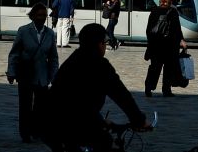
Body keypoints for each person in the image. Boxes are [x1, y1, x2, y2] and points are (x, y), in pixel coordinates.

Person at [48, 23, 151, 152]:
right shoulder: (100, 65)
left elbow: (75, 100)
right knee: (106, 143)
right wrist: (139, 120)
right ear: (99, 44)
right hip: (72, 125)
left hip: (53, 124)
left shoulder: (73, 60)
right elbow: (122, 95)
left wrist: (99, 121)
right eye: (105, 42)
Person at [7, 2, 59, 144]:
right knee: (25, 105)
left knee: (40, 107)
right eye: (39, 15)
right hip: (26, 73)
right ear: (33, 16)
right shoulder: (23, 31)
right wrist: (11, 71)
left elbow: (53, 57)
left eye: (44, 16)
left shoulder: (49, 33)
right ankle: (25, 133)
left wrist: (54, 77)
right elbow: (15, 53)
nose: (42, 18)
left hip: (42, 75)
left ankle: (36, 130)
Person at [143, 0, 187, 97]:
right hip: (169, 45)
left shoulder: (154, 10)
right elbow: (177, 29)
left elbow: (149, 29)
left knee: (154, 68)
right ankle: (166, 90)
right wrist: (182, 40)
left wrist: (151, 42)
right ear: (170, 0)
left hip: (156, 45)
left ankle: (148, 88)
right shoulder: (173, 11)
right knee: (168, 68)